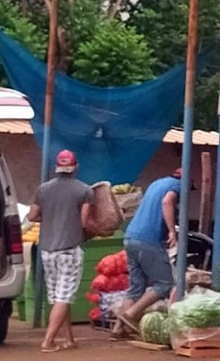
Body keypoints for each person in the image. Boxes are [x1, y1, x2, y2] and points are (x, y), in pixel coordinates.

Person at [27, 149, 94, 353]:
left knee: (58, 296)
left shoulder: (43, 189)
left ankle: (69, 338)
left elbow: (31, 216)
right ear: (75, 167)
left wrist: (50, 218)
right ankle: (48, 341)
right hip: (69, 249)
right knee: (63, 297)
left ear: (57, 167)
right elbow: (84, 222)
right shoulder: (84, 190)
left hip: (47, 250)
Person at [110, 168, 182, 340]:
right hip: (148, 240)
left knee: (136, 287)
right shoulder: (177, 185)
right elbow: (167, 202)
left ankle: (118, 330)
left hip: (131, 236)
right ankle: (130, 314)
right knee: (164, 283)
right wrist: (172, 231)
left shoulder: (156, 183)